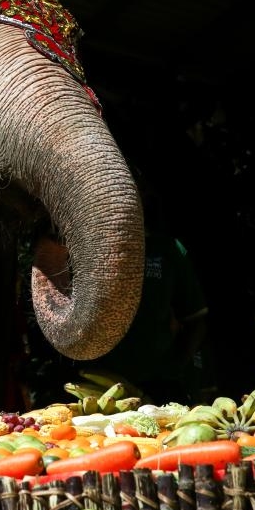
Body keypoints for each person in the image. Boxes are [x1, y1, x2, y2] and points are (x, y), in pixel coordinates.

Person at [84, 169, 216, 405]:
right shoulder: (88, 250)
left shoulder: (167, 250)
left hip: (159, 384)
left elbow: (196, 319)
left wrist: (175, 366)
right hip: (101, 385)